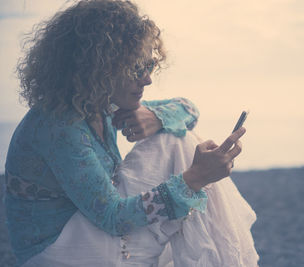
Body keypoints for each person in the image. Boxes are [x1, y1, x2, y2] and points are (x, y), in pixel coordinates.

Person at [4, 0, 258, 266]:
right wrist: (194, 178)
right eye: (137, 68)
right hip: (59, 251)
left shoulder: (97, 105)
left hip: (88, 228)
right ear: (99, 69)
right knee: (178, 145)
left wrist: (156, 118)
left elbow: (189, 109)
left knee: (176, 137)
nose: (148, 79)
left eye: (150, 65)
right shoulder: (60, 125)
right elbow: (113, 217)